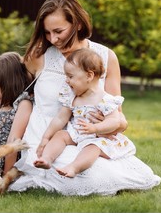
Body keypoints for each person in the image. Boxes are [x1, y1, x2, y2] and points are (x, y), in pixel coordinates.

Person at [9, 0, 161, 195]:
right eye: (47, 33)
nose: (53, 39)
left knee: (128, 172)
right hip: (48, 138)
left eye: (58, 31)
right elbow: (13, 91)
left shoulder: (106, 57)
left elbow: (120, 119)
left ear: (78, 24)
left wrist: (101, 126)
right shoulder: (38, 56)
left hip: (90, 137)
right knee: (89, 176)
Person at [34, 48, 136, 178]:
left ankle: (74, 167)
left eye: (70, 76)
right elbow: (60, 118)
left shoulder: (106, 100)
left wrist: (95, 128)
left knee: (92, 147)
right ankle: (47, 159)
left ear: (89, 76)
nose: (66, 80)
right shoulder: (72, 96)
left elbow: (115, 121)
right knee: (61, 135)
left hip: (98, 137)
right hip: (77, 133)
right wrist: (46, 137)